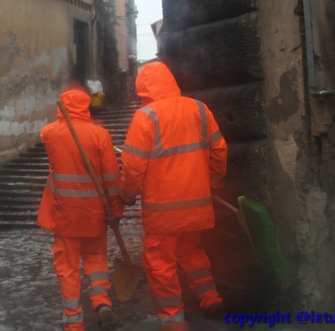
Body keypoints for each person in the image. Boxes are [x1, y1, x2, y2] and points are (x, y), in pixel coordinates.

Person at [120, 62, 228, 325]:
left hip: (163, 214)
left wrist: (127, 194)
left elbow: (133, 167)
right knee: (192, 253)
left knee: (161, 265)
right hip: (198, 208)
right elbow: (220, 150)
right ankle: (210, 298)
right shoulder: (199, 109)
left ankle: (173, 321)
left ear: (143, 88)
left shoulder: (145, 117)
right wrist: (214, 183)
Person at [37, 87, 124, 330]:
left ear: (62, 107)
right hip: (94, 212)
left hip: (64, 213)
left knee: (68, 268)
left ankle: (74, 321)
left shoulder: (50, 133)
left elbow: (47, 134)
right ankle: (101, 301)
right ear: (86, 106)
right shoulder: (100, 135)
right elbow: (111, 177)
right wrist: (115, 210)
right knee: (96, 258)